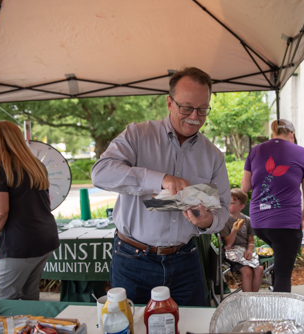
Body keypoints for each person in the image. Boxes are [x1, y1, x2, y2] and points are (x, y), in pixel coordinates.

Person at [91, 67, 230, 306]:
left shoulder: (213, 155)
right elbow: (100, 173)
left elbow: (224, 207)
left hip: (186, 259)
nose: (195, 116)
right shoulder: (137, 135)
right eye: (186, 107)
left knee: (191, 327)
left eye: (203, 109)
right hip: (133, 259)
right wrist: (160, 179)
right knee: (132, 327)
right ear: (169, 102)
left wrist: (208, 221)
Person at [0, 120, 59, 300]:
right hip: (45, 237)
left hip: (20, 243)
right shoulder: (36, 166)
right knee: (29, 296)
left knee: (1, 301)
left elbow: (0, 212)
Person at [241, 119, 304, 292]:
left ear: (272, 134)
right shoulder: (301, 152)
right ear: (292, 134)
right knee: (283, 274)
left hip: (259, 223)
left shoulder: (255, 151)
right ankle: (280, 317)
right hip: (286, 224)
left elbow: (245, 187)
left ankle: (275, 306)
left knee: (280, 260)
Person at [220, 188, 263, 292]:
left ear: (241, 206)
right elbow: (228, 243)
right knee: (247, 272)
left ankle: (254, 297)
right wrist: (234, 230)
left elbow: (251, 241)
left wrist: (249, 250)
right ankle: (247, 301)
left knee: (259, 269)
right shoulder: (224, 221)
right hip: (231, 252)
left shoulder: (247, 220)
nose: (228, 204)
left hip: (245, 251)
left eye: (232, 203)